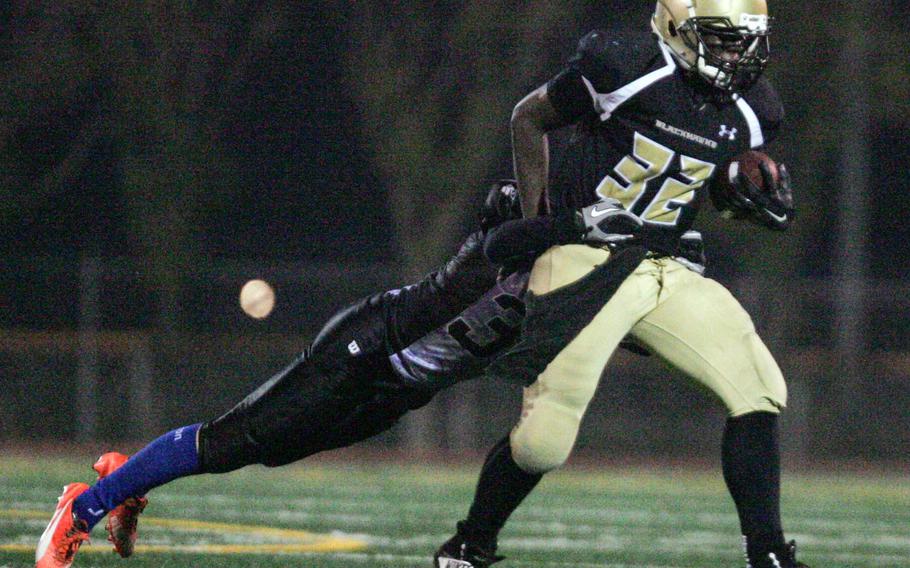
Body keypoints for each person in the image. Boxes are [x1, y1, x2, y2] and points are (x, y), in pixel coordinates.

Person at [34, 181, 707, 568]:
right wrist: (578, 222)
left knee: (262, 453)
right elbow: (507, 239)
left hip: (401, 391)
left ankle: (128, 481)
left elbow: (640, 331)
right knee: (230, 441)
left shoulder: (587, 290)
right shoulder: (520, 243)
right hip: (367, 350)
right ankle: (82, 509)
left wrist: (671, 285)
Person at [434, 1, 807, 568]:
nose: (739, 54)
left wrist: (741, 194)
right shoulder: (622, 65)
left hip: (666, 266)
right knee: (543, 444)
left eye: (748, 41)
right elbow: (528, 117)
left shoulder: (757, 109)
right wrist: (539, 222)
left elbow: (695, 174)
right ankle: (469, 545)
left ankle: (770, 556)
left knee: (758, 388)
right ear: (677, 29)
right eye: (723, 38)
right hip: (585, 255)